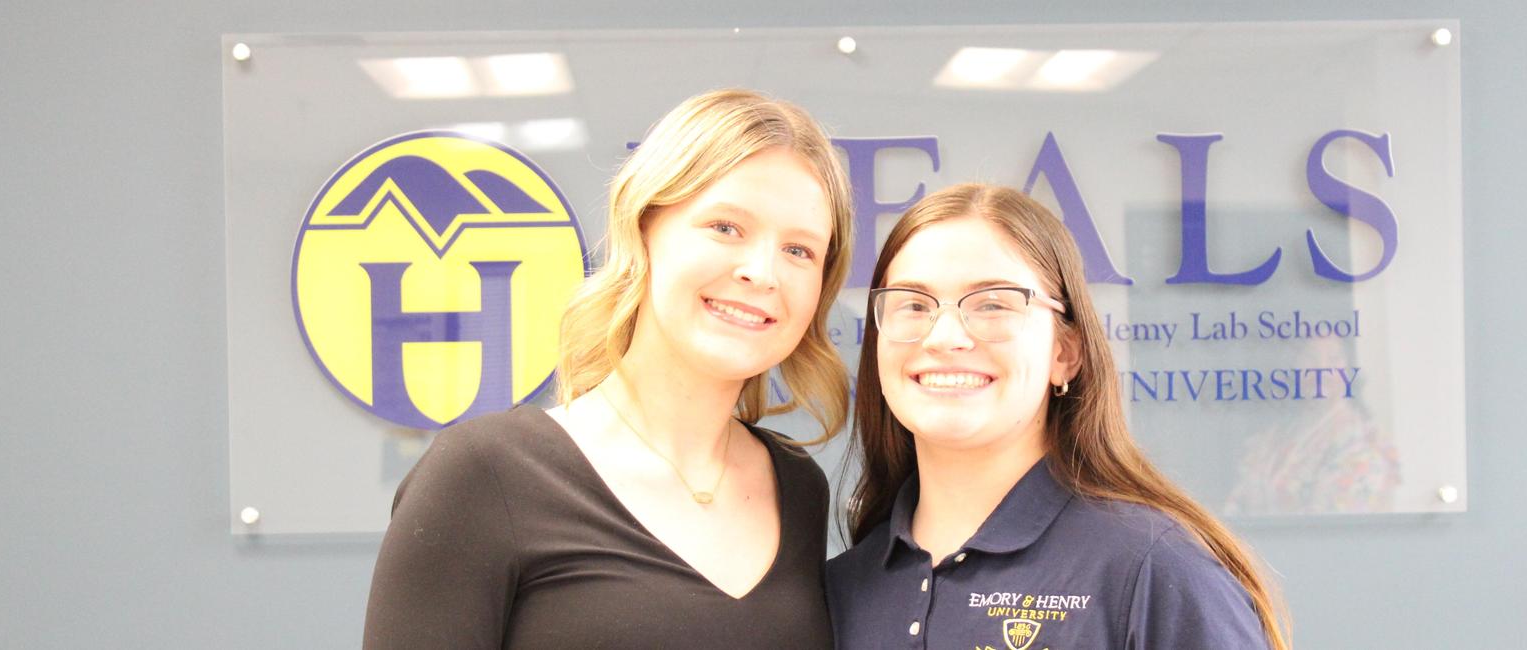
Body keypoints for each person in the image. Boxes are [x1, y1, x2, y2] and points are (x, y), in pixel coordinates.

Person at [364, 89, 854, 648]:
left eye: (799, 250)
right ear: (643, 230)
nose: (762, 272)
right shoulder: (485, 474)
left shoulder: (797, 486)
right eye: (726, 227)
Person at [826, 184, 1291, 649]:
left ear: (1065, 353)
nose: (945, 337)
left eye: (992, 304)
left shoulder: (1154, 570)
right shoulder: (840, 590)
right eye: (913, 304)